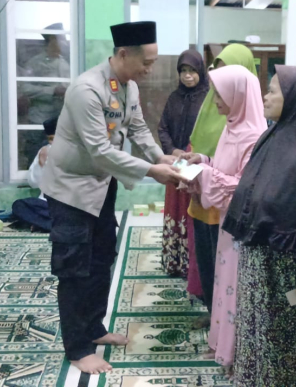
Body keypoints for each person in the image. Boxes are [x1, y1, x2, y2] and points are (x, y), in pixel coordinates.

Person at [41, 21, 185, 375]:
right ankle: (78, 348)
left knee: (102, 257)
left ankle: (94, 328)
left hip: (101, 186)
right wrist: (152, 171)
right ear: (123, 54)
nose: (149, 70)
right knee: (74, 267)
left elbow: (136, 127)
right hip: (71, 190)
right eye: (146, 62)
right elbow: (100, 150)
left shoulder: (128, 86)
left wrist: (161, 157)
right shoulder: (86, 90)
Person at [222, 66, 296, 386]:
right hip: (260, 267)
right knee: (257, 338)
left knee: (283, 348)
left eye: (273, 90)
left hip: (290, 273)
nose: (266, 96)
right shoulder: (272, 137)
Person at [185, 64, 267, 372]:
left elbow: (243, 187)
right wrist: (203, 161)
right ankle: (223, 346)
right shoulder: (232, 126)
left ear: (238, 95)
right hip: (226, 226)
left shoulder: (253, 136)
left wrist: (203, 174)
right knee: (224, 284)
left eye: (220, 94)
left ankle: (235, 353)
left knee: (235, 287)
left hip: (242, 229)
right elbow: (225, 169)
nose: (216, 101)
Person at [187, 44, 258, 325]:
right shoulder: (227, 117)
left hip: (227, 206)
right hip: (207, 194)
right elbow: (221, 160)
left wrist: (203, 172)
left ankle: (226, 322)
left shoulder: (250, 124)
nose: (216, 95)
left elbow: (243, 180)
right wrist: (202, 161)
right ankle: (214, 312)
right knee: (209, 259)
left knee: (228, 271)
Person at [158, 49, 208, 283]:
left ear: (201, 71)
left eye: (192, 71)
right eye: (183, 71)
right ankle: (174, 261)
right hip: (176, 163)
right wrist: (173, 151)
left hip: (196, 164)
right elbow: (162, 128)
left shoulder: (208, 99)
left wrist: (193, 152)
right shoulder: (174, 98)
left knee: (191, 210)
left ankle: (192, 265)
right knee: (174, 208)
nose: (187, 76)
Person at [19, 23, 70, 165]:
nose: (64, 43)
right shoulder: (35, 63)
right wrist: (52, 91)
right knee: (35, 158)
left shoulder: (65, 64)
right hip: (38, 121)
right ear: (52, 40)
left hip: (59, 121)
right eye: (61, 39)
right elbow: (25, 87)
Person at [11, 116, 58, 232]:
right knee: (19, 205)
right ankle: (54, 225)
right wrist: (42, 164)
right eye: (51, 139)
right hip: (46, 205)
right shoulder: (44, 151)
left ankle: (43, 224)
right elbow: (34, 183)